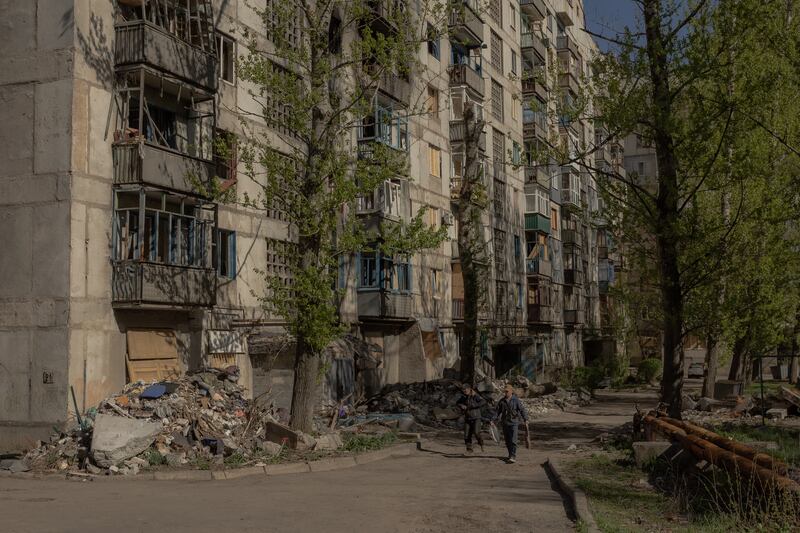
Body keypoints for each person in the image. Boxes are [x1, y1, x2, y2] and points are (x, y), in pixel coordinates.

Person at [494, 384, 528, 463]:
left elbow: (522, 410)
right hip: (505, 423)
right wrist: (492, 420)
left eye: (507, 391)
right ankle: (510, 454)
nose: (505, 393)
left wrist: (525, 419)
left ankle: (513, 455)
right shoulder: (502, 401)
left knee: (513, 440)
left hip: (514, 422)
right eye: (504, 391)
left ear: (511, 391)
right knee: (507, 440)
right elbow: (497, 412)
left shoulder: (516, 400)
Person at [457, 384, 486, 453]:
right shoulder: (464, 396)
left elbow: (483, 402)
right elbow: (457, 403)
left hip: (476, 417)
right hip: (468, 418)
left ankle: (481, 443)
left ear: (469, 389)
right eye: (463, 390)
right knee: (466, 435)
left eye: (465, 389)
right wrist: (461, 405)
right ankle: (469, 449)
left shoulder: (475, 395)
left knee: (476, 433)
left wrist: (474, 405)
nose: (464, 391)